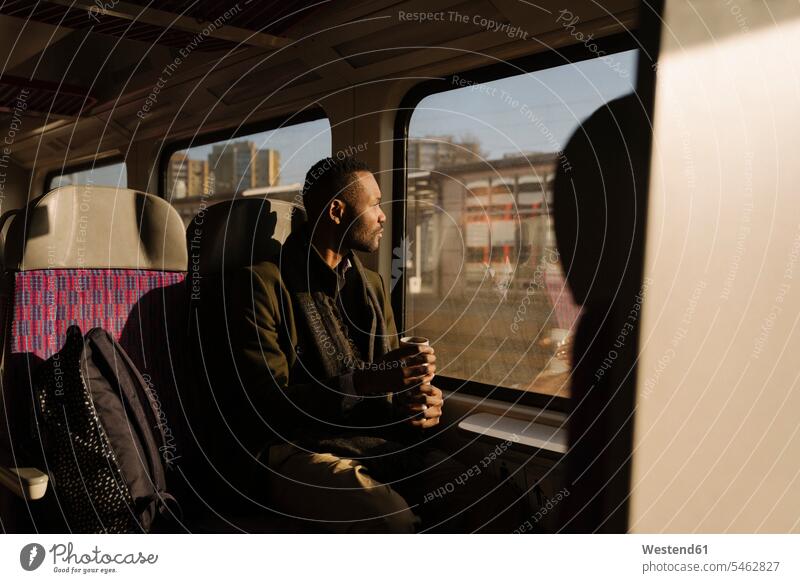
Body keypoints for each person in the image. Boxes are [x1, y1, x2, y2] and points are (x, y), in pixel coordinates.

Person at [225, 155, 527, 533]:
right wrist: (365, 383)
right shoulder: (262, 285)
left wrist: (416, 402)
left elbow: (385, 387)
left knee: (492, 497)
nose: (383, 215)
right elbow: (267, 404)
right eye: (375, 204)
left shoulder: (371, 286)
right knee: (390, 521)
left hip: (372, 437)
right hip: (294, 446)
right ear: (337, 211)